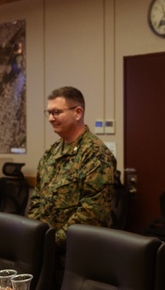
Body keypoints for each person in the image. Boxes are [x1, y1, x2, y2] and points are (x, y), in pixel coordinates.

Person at [27, 87, 117, 247]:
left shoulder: (96, 154)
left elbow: (91, 215)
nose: (50, 118)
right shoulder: (52, 152)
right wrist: (34, 233)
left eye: (56, 112)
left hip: (78, 255)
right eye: (49, 113)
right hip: (46, 250)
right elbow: (37, 199)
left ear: (78, 113)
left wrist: (50, 241)